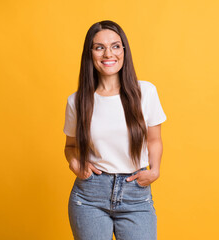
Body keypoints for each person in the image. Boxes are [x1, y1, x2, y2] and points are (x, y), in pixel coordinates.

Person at [63, 20, 167, 240]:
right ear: (90, 54)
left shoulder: (145, 92)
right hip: (89, 196)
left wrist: (155, 170)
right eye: (99, 47)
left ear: (124, 51)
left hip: (135, 194)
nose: (108, 53)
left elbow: (154, 140)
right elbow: (70, 146)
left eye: (115, 46)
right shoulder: (77, 101)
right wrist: (74, 163)